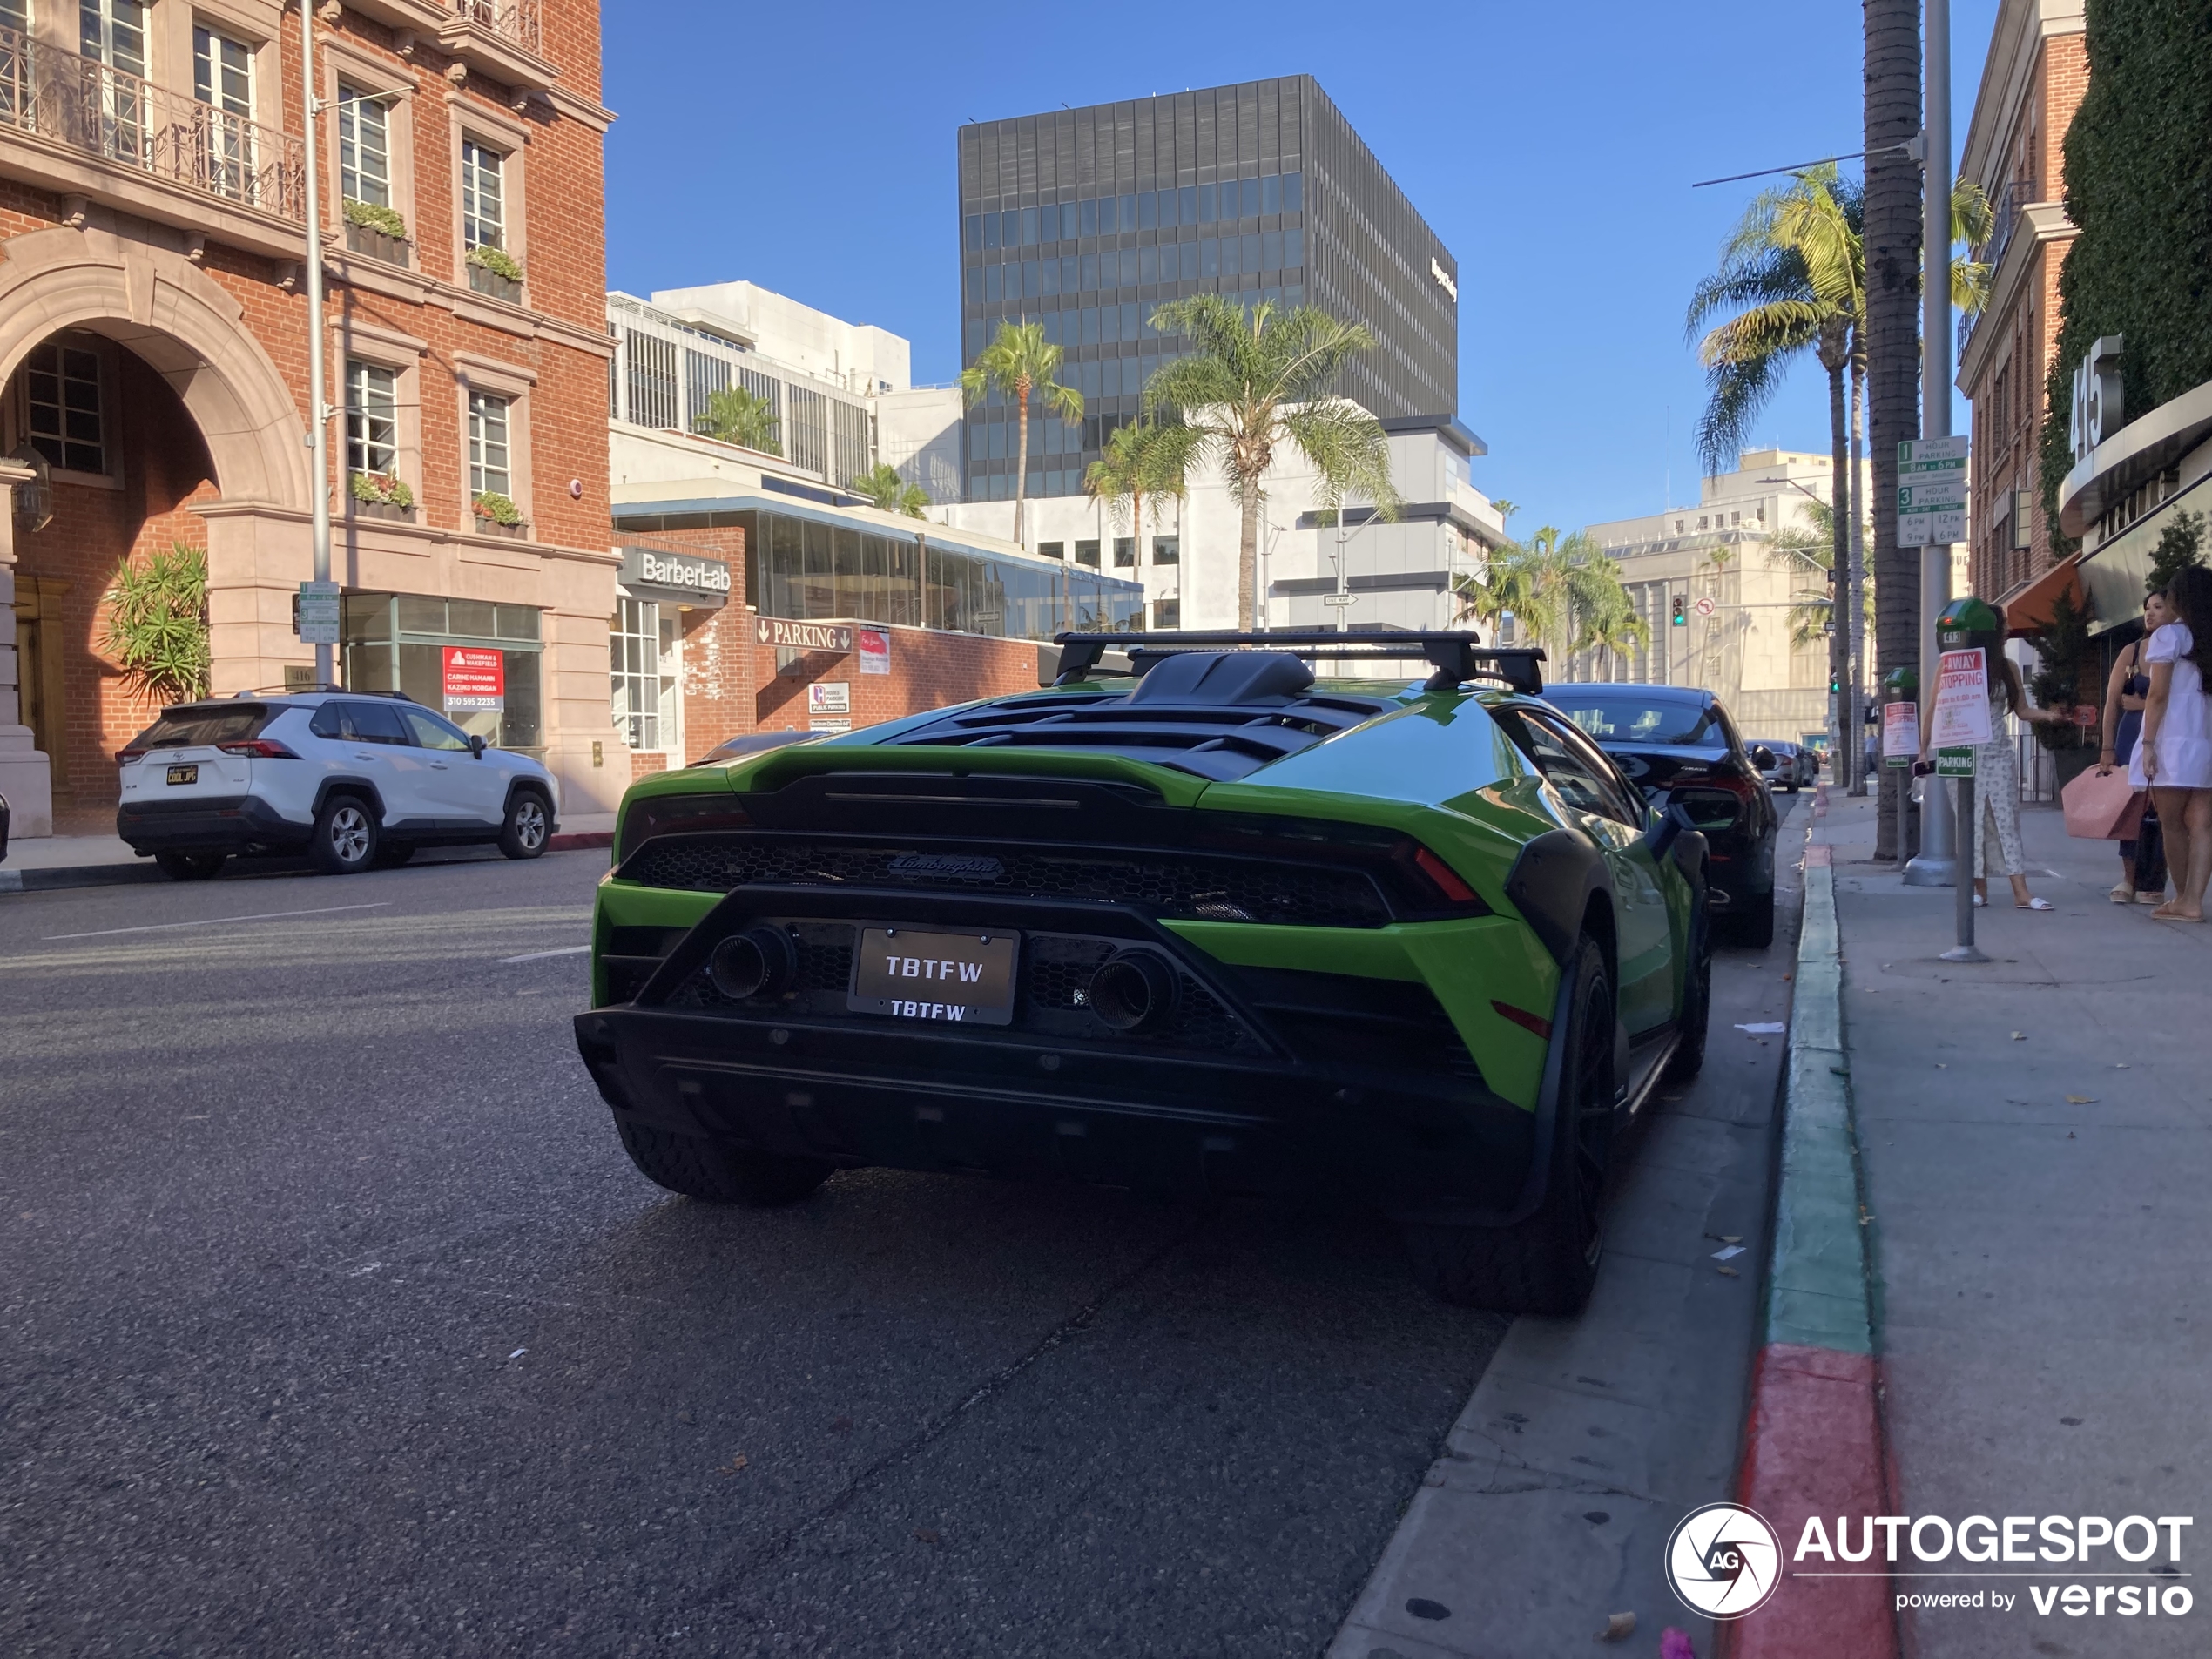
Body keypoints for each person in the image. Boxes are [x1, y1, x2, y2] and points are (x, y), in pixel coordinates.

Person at [1926, 606, 2067, 909]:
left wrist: (2050, 716)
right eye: (2003, 624)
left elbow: (2022, 709)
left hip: (1998, 752)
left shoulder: (2008, 667)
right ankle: (1979, 888)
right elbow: (1934, 708)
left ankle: (2021, 892)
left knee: (2005, 818)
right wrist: (1922, 750)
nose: (2007, 629)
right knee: (1971, 819)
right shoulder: (1953, 666)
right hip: (1962, 752)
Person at [2134, 564, 2212, 921]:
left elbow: (2158, 695)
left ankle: (2183, 899)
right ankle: (2194, 898)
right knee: (2203, 824)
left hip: (2175, 738)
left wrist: (2148, 743)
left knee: (2172, 823)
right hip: (2207, 736)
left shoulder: (2171, 637)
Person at [2096, 590, 2174, 903]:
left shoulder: (2183, 650)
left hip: (2167, 736)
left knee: (2163, 809)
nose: (2150, 613)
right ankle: (2128, 878)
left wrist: (2141, 706)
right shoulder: (2131, 651)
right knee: (2130, 810)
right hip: (2130, 738)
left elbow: (2177, 699)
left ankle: (2154, 880)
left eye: (2158, 607)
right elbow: (2113, 702)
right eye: (2147, 608)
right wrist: (2106, 747)